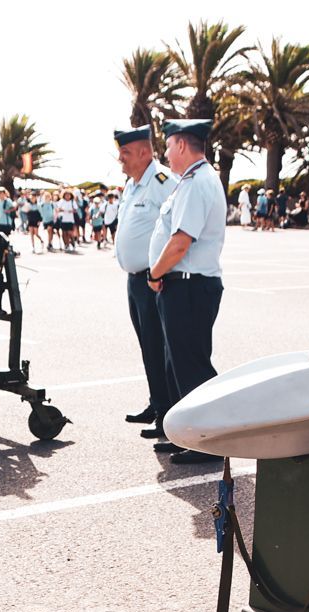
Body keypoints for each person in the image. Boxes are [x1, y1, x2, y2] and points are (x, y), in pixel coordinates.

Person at [147, 119, 225, 465]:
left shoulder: (196, 183)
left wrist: (154, 273)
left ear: (180, 145)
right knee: (179, 365)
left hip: (190, 286)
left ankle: (208, 441)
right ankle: (189, 435)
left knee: (192, 367)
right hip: (185, 285)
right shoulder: (191, 181)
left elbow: (180, 242)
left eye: (167, 146)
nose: (165, 154)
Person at [113, 125, 179, 435]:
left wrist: (162, 270)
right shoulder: (133, 185)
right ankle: (157, 402)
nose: (120, 159)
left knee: (159, 346)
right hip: (134, 279)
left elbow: (180, 225)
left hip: (155, 280)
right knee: (147, 346)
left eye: (125, 153)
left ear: (144, 152)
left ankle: (168, 415)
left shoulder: (163, 182)